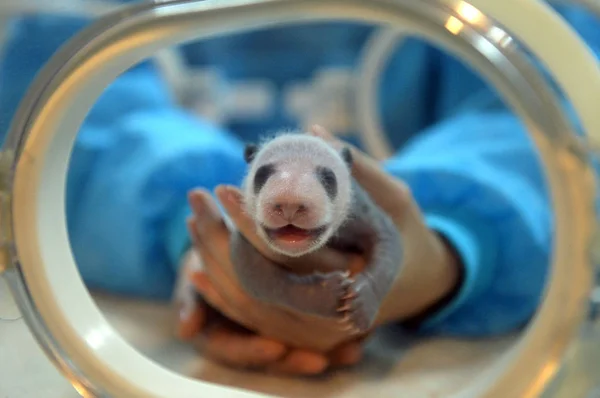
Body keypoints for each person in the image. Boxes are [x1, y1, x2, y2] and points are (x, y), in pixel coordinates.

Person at [0, 0, 598, 376]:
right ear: (252, 165)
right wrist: (207, 253)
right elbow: (49, 137)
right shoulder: (80, 15)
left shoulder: (506, 15)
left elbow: (548, 131)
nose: (286, 199)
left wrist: (437, 256)